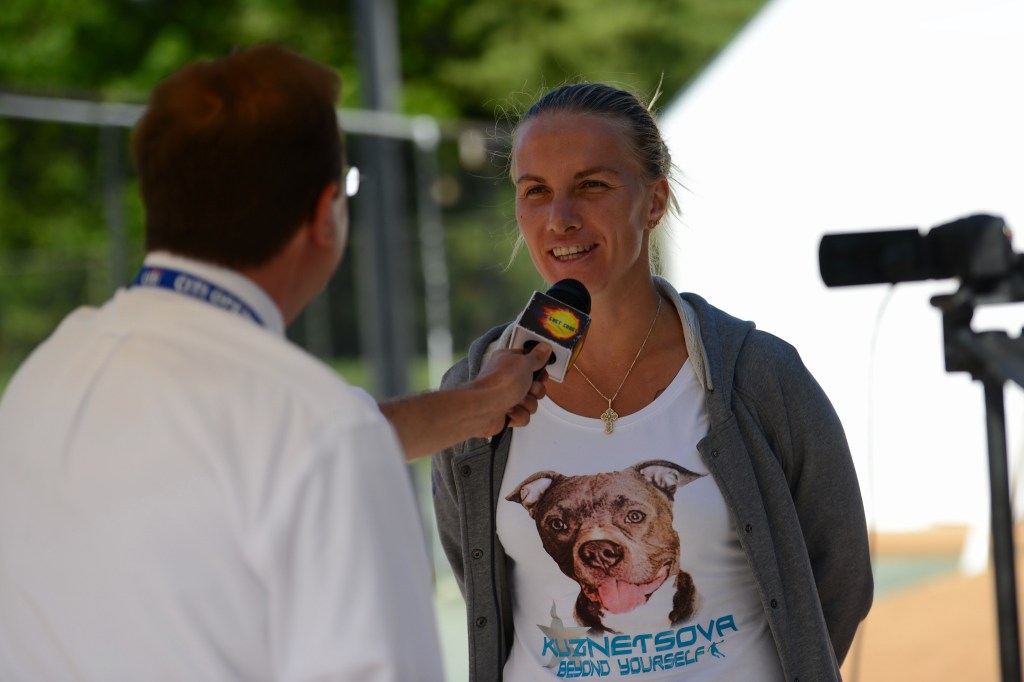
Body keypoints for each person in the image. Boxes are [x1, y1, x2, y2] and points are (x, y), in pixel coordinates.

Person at [0, 44, 551, 681]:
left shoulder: (47, 375)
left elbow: (260, 452)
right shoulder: (317, 435)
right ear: (325, 217)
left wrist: (474, 405)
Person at [431, 82, 873, 681]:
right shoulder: (475, 391)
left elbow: (838, 573)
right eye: (536, 191)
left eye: (592, 185)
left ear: (655, 200)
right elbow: (477, 576)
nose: (560, 219)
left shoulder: (758, 374)